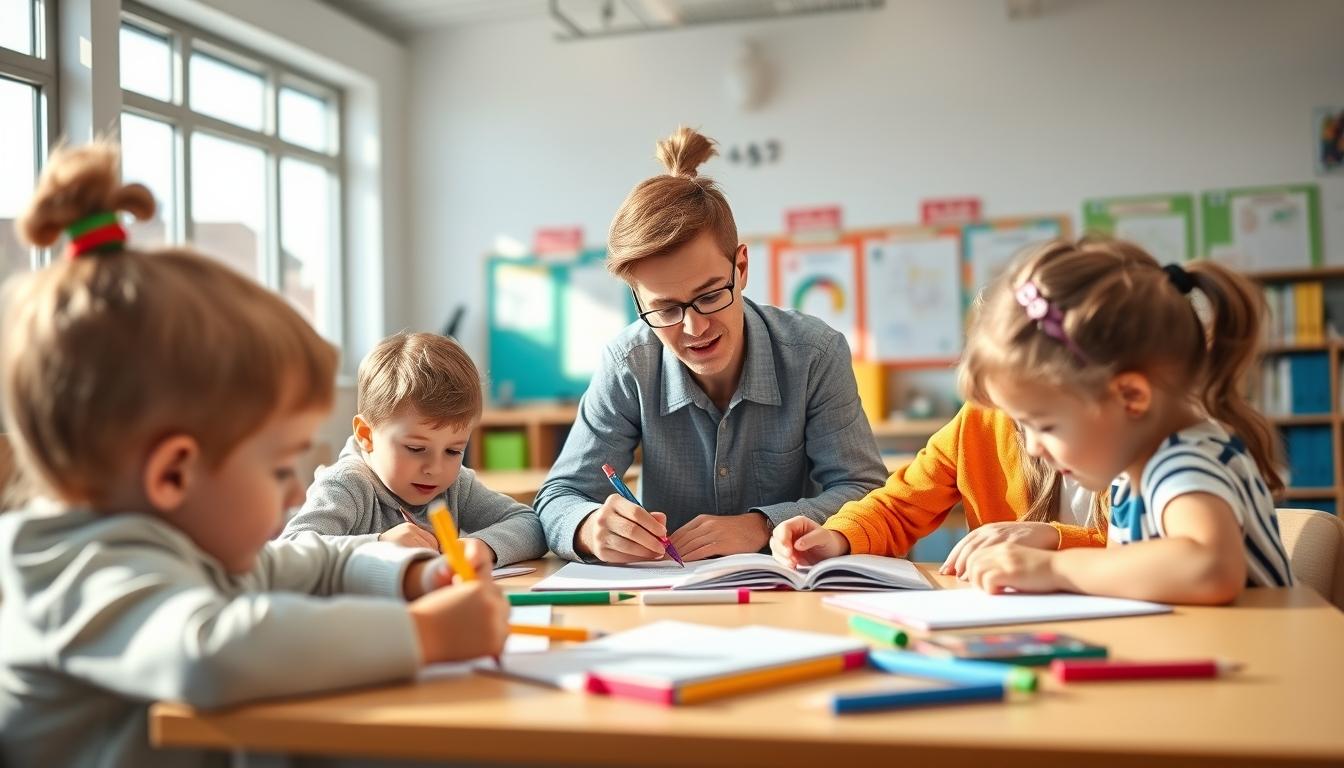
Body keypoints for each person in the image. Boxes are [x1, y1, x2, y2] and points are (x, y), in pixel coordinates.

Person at [0, 143, 508, 768]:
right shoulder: (71, 571)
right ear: (173, 474)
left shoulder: (180, 542)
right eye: (278, 469)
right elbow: (210, 654)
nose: (297, 494)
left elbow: (304, 564)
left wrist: (403, 571)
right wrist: (423, 636)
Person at [535, 126, 886, 563]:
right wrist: (589, 528)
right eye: (665, 309)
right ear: (637, 300)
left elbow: (866, 492)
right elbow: (558, 498)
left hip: (788, 591)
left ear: (740, 268)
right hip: (670, 593)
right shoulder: (628, 364)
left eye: (708, 296)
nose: (694, 327)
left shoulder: (814, 354)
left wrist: (761, 525)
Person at [956, 237, 1292, 603]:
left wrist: (1053, 569)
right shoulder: (1129, 474)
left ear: (1131, 396)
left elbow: (1210, 567)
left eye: (1046, 426)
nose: (1033, 447)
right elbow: (1126, 576)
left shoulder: (1186, 461)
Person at [282, 331, 547, 567]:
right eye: (416, 448)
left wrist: (482, 545)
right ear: (366, 435)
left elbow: (531, 525)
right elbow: (288, 551)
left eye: (453, 451)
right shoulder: (347, 485)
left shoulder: (454, 486)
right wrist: (377, 545)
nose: (435, 468)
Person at [770, 401, 1107, 574]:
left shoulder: (1127, 439)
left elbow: (1149, 554)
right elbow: (898, 506)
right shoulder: (980, 421)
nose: (1031, 442)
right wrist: (837, 538)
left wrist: (1055, 539)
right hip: (1014, 624)